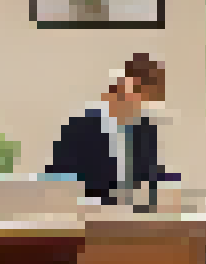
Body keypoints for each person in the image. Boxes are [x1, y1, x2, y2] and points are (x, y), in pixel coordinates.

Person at [46, 54, 174, 205]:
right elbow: (58, 184)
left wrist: (168, 186)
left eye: (148, 96)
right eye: (136, 90)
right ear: (120, 85)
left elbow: (150, 177)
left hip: (133, 213)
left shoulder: (145, 131)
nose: (140, 100)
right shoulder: (79, 127)